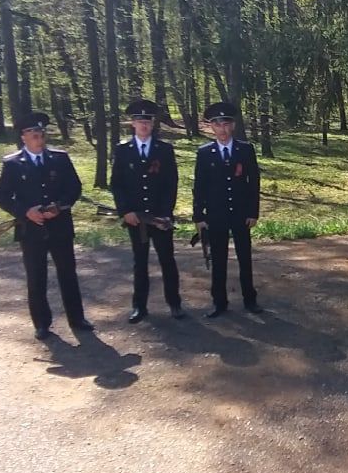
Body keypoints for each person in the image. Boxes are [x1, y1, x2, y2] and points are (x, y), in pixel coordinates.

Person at [0, 112, 93, 340]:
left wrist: (60, 206)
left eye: (40, 132)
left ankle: (77, 318)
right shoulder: (12, 164)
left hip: (60, 226)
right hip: (31, 229)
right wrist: (25, 212)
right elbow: (1, 196)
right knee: (36, 276)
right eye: (32, 132)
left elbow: (74, 188)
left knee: (68, 273)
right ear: (23, 137)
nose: (38, 135)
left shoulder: (60, 158)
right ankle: (41, 323)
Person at [111, 98, 185, 322]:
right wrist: (125, 211)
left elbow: (171, 183)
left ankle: (174, 303)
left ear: (153, 124)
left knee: (167, 260)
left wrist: (164, 212)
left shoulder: (164, 149)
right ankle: (139, 306)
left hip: (160, 216)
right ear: (132, 123)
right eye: (139, 120)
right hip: (136, 217)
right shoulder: (123, 150)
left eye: (147, 121)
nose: (143, 124)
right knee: (139, 262)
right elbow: (117, 184)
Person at [191, 102, 263, 317]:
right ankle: (219, 303)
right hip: (216, 214)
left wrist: (253, 212)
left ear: (232, 125)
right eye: (217, 124)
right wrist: (199, 216)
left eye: (226, 124)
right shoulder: (205, 153)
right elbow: (200, 186)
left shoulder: (245, 149)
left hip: (241, 213)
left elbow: (253, 183)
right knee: (218, 259)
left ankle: (250, 299)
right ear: (211, 127)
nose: (222, 129)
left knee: (244, 258)